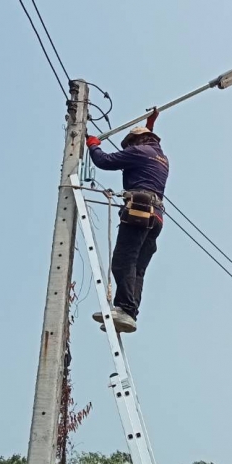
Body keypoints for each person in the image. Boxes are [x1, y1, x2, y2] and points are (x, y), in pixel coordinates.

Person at [85, 109, 168, 333]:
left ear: (137, 141)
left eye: (130, 144)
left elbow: (104, 161)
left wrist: (93, 145)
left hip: (140, 211)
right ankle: (129, 313)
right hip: (156, 217)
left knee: (123, 260)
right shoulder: (159, 155)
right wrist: (150, 124)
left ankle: (124, 308)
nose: (128, 149)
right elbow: (149, 140)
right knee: (138, 268)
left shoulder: (139, 151)